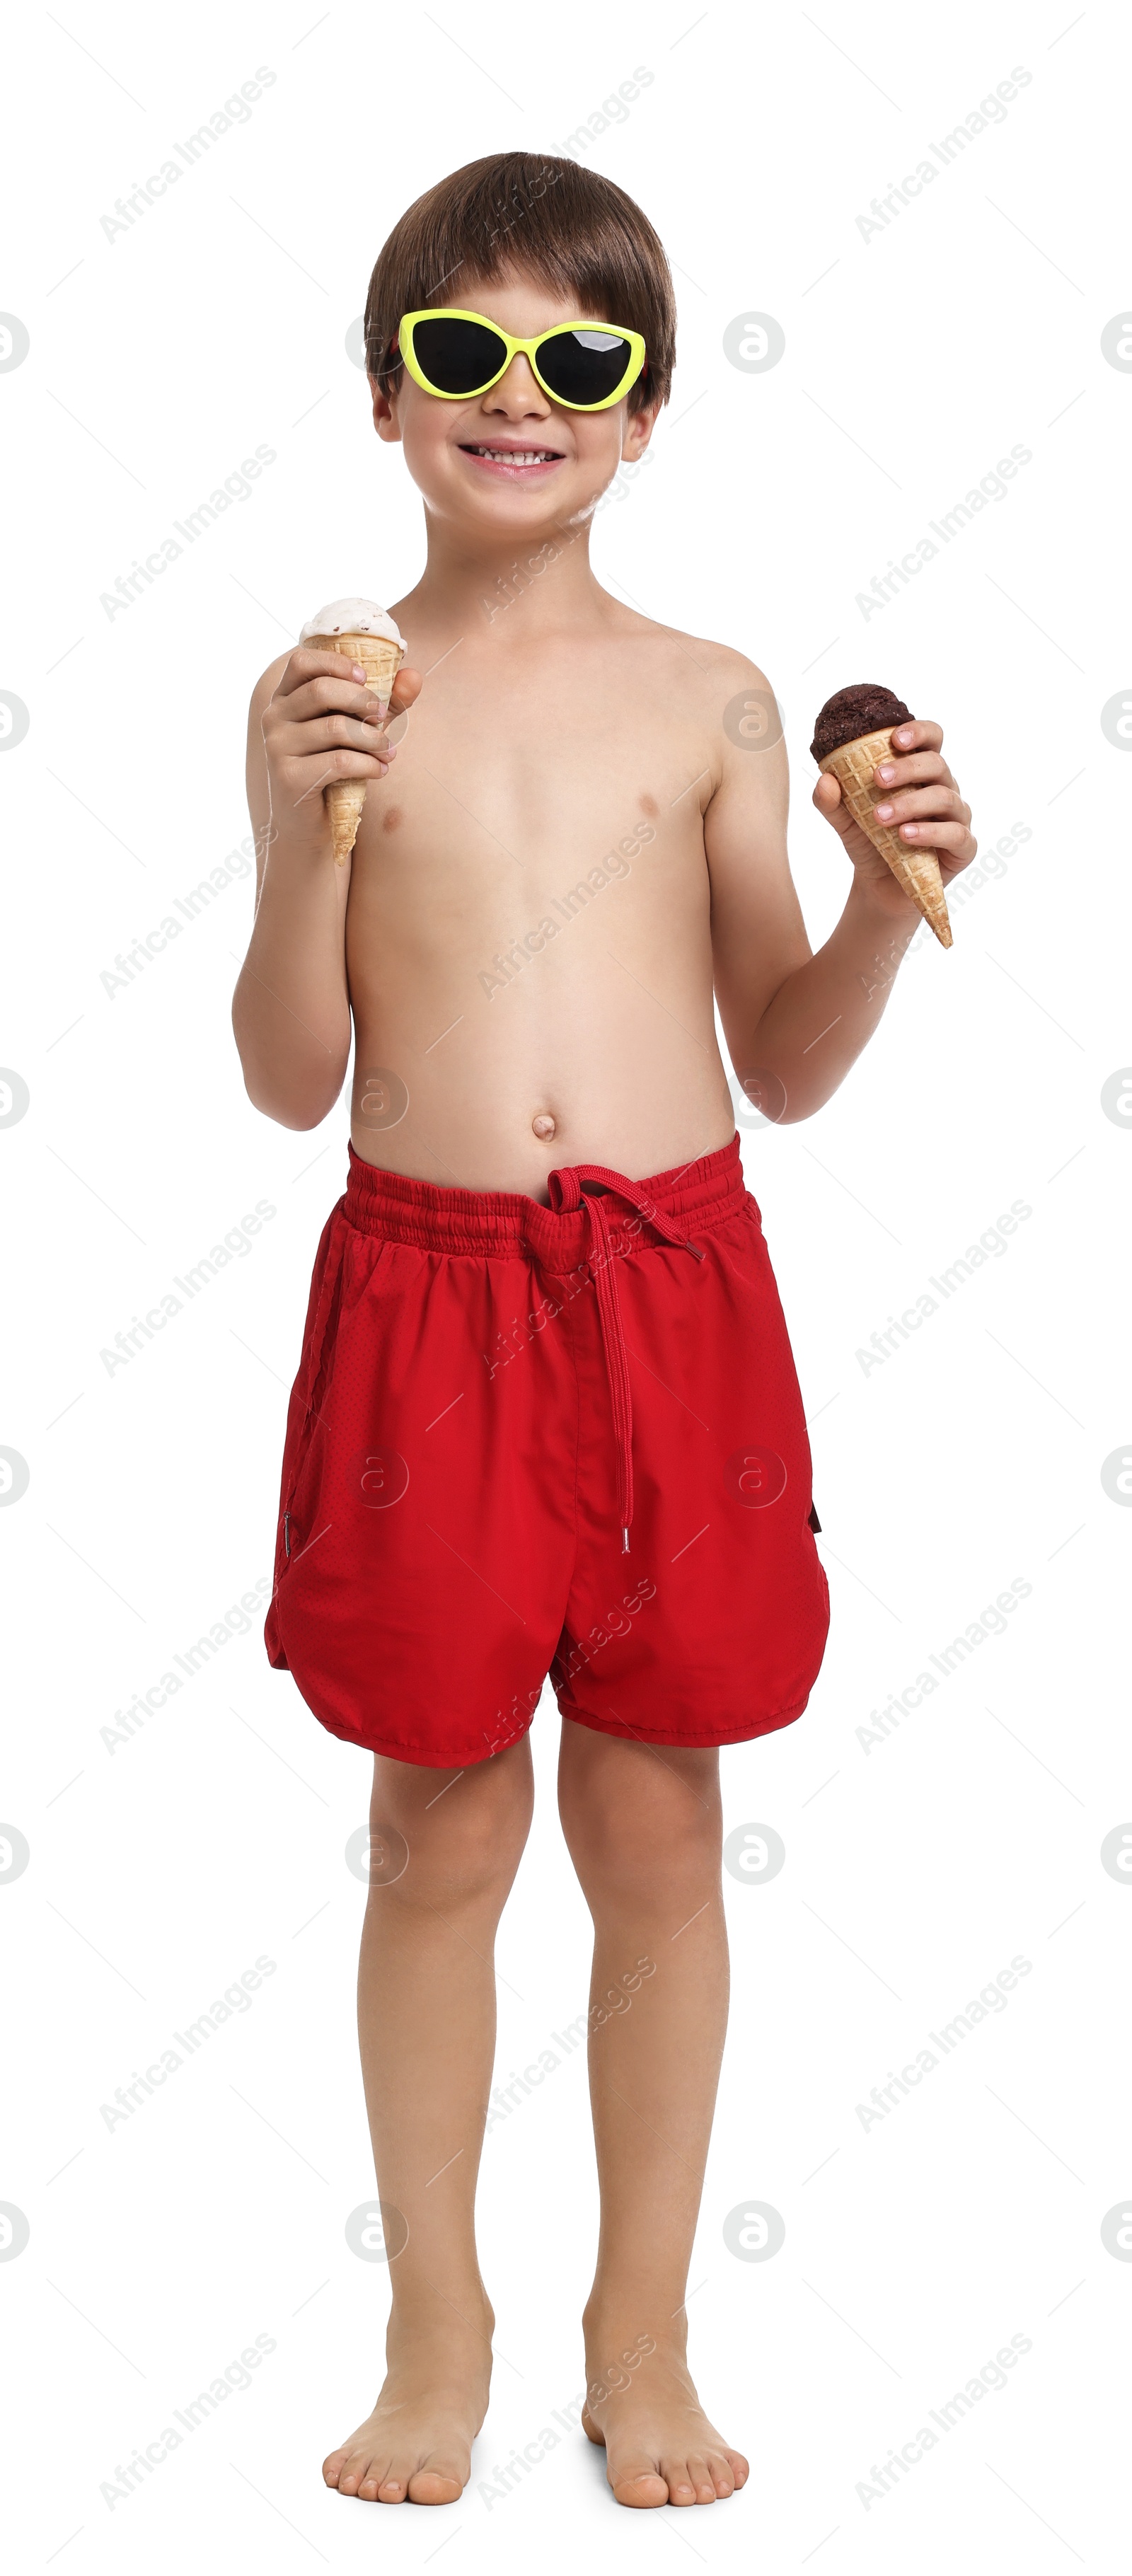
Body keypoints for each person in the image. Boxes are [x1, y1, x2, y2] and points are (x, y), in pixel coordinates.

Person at [232, 150, 976, 2512]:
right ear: (385, 395)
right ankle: (430, 2316)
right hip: (422, 1301)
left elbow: (791, 1051)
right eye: (466, 351)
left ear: (649, 411)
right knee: (437, 1827)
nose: (521, 395)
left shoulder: (720, 702)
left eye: (581, 358)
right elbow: (281, 1073)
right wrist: (293, 841)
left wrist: (879, 898)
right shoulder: (332, 700)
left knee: (657, 1824)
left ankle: (635, 2327)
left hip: (673, 1298)